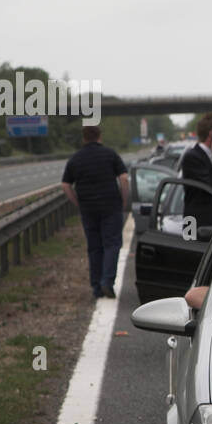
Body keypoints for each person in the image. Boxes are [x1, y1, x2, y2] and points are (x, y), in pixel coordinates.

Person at [61, 125, 129, 301]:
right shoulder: (110, 154)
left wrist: (77, 202)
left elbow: (65, 185)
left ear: (84, 138)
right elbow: (124, 178)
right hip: (111, 206)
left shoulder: (76, 159)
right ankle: (107, 281)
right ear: (100, 136)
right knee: (112, 244)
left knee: (94, 247)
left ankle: (96, 287)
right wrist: (124, 199)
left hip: (88, 209)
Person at [180, 113, 212, 229]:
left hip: (210, 224)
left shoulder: (209, 157)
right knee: (188, 247)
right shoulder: (192, 157)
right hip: (194, 225)